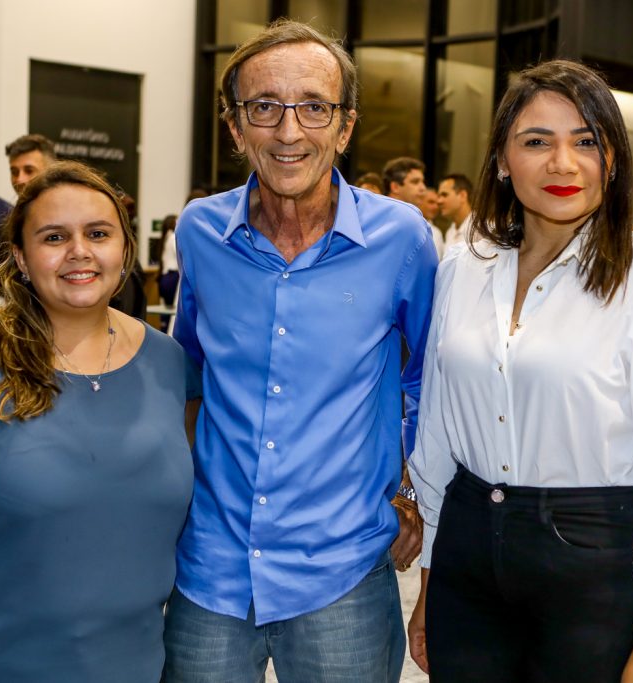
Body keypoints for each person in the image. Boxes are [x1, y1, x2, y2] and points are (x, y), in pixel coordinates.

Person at [407, 60, 633, 683]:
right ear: (502, 160)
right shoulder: (463, 269)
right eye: (537, 141)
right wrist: (432, 584)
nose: (563, 164)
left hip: (594, 568)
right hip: (466, 560)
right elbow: (438, 435)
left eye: (586, 141)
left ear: (613, 158)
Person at [166, 19, 437, 683]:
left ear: (345, 127)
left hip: (342, 572)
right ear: (235, 127)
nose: (289, 132)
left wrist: (412, 490)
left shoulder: (402, 239)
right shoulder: (200, 231)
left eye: (314, 107)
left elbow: (428, 383)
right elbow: (189, 374)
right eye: (264, 107)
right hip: (211, 570)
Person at [0, 162, 194, 682]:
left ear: (125, 249)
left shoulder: (170, 364)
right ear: (22, 258)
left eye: (98, 234)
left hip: (131, 665)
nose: (79, 251)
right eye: (54, 237)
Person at [384, 157, 443, 259]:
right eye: (415, 182)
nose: (423, 188)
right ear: (395, 187)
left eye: (422, 182)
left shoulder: (421, 225)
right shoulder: (377, 220)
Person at [436, 173, 473, 250]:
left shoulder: (481, 230)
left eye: (444, 195)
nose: (439, 201)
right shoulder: (450, 232)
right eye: (438, 196)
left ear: (462, 195)